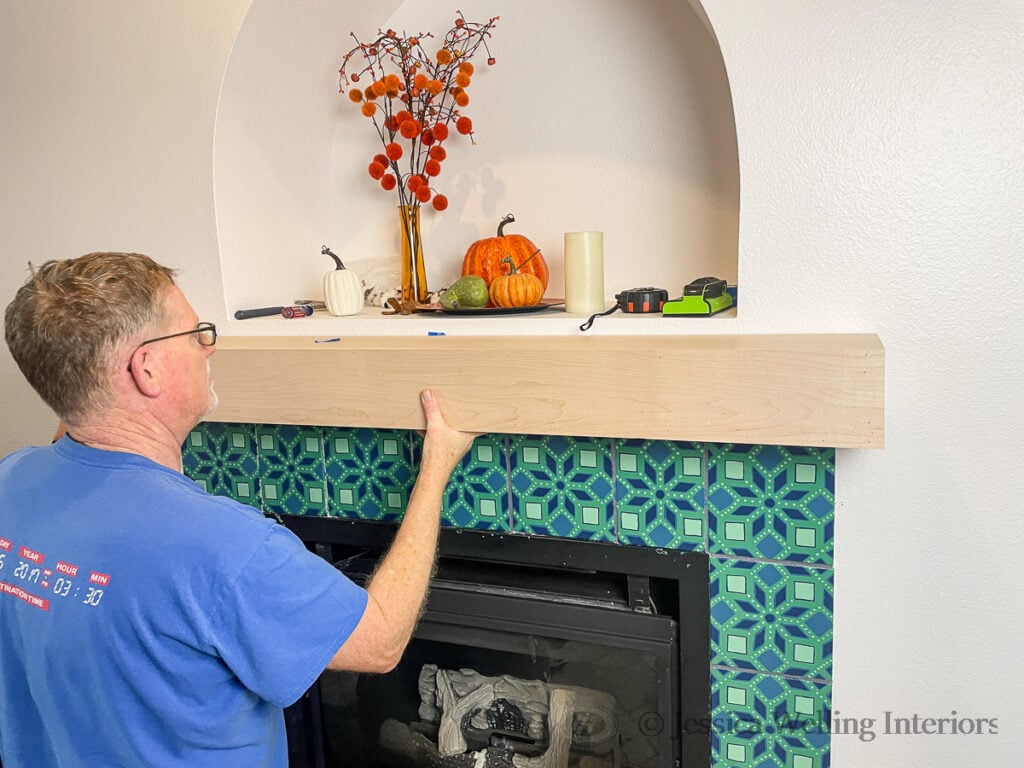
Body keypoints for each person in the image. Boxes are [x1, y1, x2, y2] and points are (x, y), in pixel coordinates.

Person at [0, 252, 477, 767]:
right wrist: (436, 469)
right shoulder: (224, 548)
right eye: (195, 333)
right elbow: (380, 641)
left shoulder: (12, 479)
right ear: (147, 368)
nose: (209, 347)